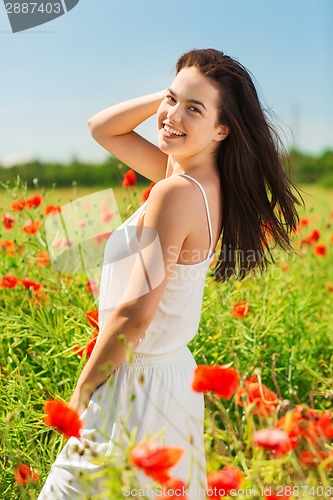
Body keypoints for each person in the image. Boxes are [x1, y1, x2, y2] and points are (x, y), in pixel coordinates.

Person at [38, 48, 302, 499]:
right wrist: (176, 102)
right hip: (169, 378)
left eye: (193, 109)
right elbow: (101, 128)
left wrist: (81, 393)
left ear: (223, 129)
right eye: (171, 98)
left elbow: (135, 316)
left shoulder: (175, 192)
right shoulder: (199, 182)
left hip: (134, 382)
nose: (171, 115)